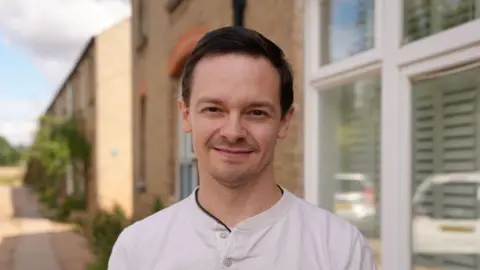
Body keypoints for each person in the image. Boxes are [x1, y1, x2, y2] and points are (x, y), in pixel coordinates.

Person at [108, 26, 376, 270]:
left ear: (284, 121)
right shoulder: (137, 250)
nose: (233, 132)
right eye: (213, 109)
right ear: (186, 115)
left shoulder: (340, 249)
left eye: (256, 112)